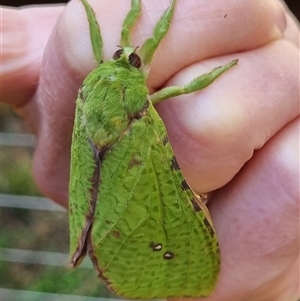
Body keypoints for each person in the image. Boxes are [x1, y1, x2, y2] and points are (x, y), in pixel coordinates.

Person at [1, 1, 299, 300]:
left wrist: (94, 9)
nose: (129, 54)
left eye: (123, 56)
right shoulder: (132, 102)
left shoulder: (89, 87)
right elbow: (186, 86)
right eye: (126, 56)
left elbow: (95, 24)